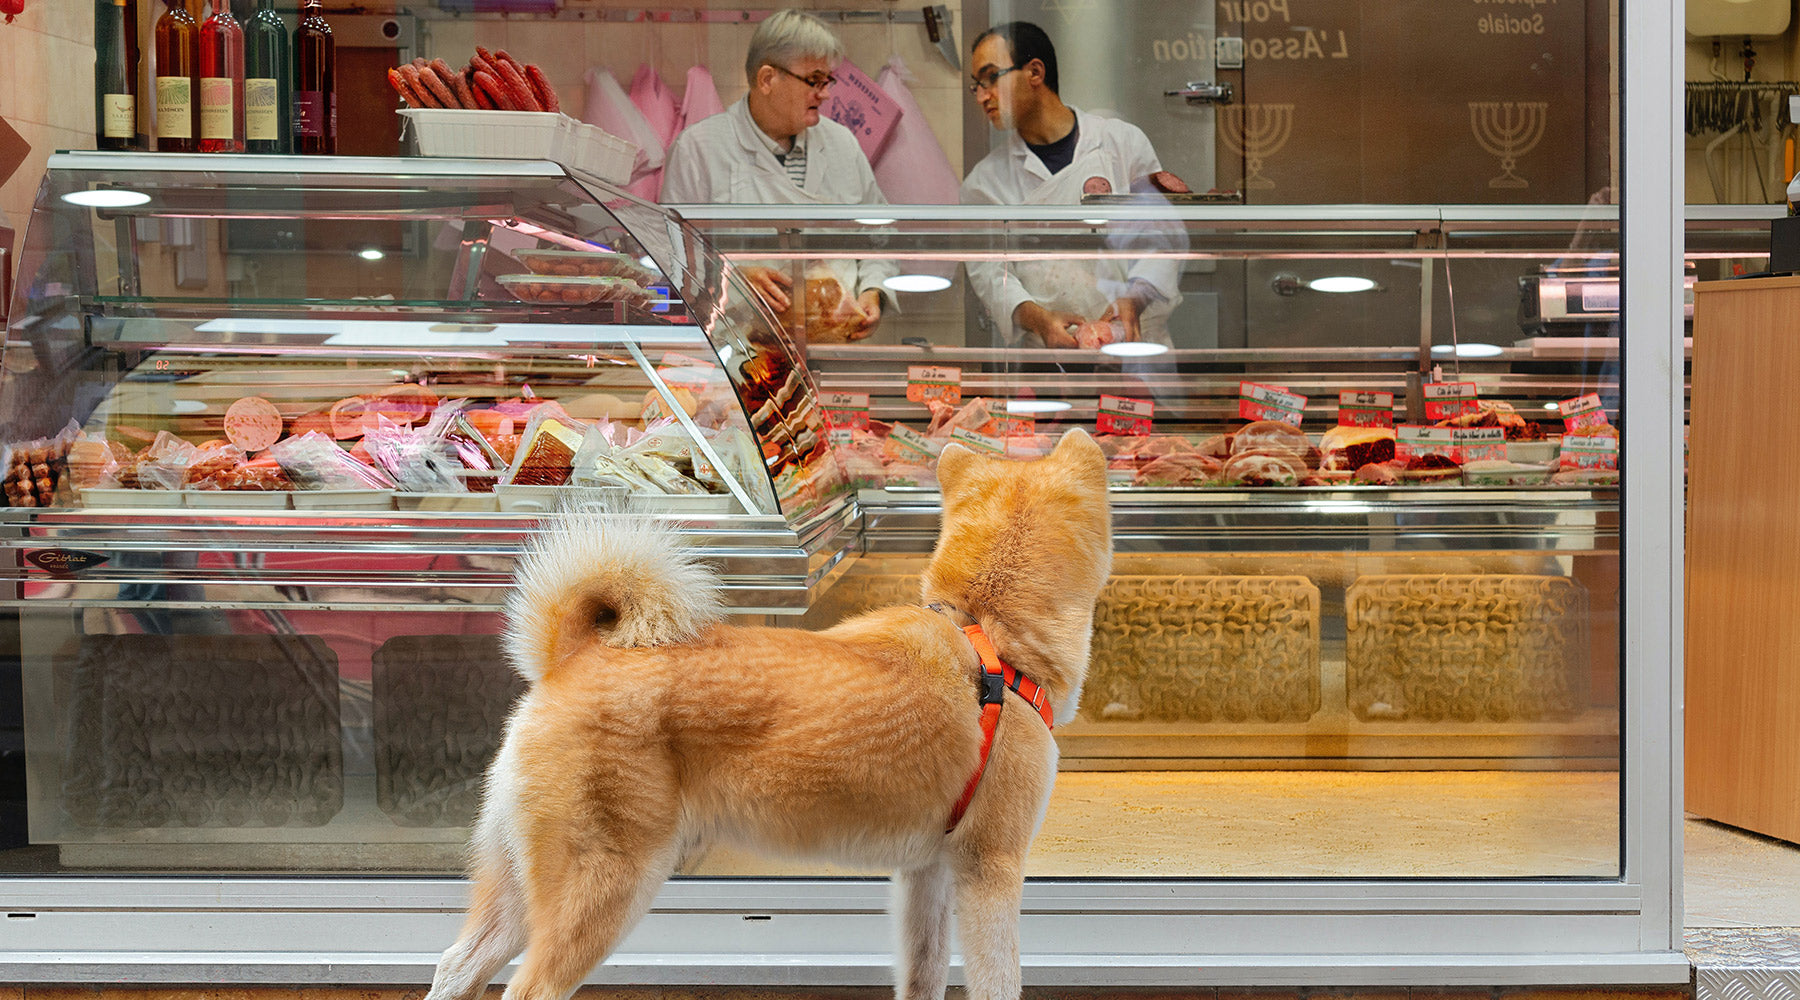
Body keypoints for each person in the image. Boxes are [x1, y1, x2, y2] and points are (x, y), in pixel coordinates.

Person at [662, 9, 894, 341]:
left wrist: (874, 290)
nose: (825, 93)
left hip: (833, 347)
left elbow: (880, 238)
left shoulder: (842, 145)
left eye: (827, 80)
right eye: (814, 80)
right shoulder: (698, 149)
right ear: (768, 79)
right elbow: (671, 257)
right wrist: (730, 277)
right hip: (738, 352)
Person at [960, 21, 1184, 349]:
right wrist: (1040, 320)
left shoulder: (1120, 142)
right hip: (1049, 363)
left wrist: (1134, 301)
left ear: (1035, 72)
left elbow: (1160, 239)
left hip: (1134, 350)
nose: (982, 96)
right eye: (976, 85)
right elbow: (992, 277)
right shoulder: (984, 183)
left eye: (991, 77)